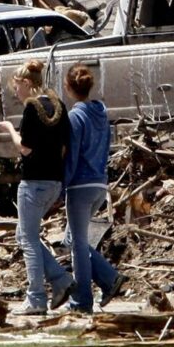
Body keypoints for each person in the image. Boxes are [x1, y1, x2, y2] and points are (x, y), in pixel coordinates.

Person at [0, 59, 74, 316]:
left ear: (27, 83)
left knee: (28, 240)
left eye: (17, 87)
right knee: (24, 234)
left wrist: (9, 129)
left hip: (33, 182)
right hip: (54, 181)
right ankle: (61, 280)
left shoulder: (31, 107)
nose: (16, 93)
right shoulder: (58, 105)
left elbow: (25, 148)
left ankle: (36, 298)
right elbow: (64, 147)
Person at [63, 64, 125, 313]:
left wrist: (61, 187)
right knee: (72, 239)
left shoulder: (75, 117)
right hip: (100, 183)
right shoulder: (101, 114)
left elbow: (72, 156)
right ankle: (109, 279)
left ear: (68, 87)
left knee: (77, 244)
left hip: (80, 185)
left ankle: (81, 301)